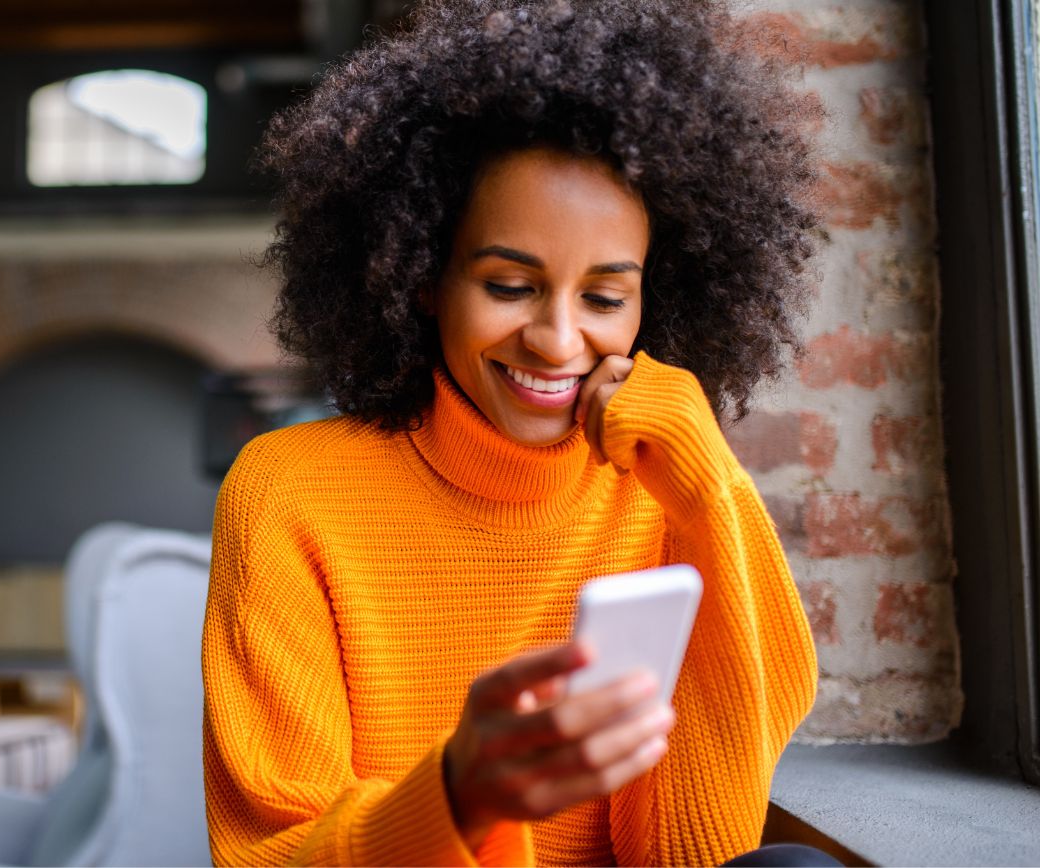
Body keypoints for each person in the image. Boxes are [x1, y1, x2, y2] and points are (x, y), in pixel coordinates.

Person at [202, 0, 830, 865]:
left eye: (605, 299)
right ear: (423, 277)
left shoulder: (663, 487)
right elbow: (270, 854)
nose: (559, 340)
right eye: (509, 285)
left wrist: (707, 482)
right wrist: (458, 798)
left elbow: (697, 851)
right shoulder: (287, 492)